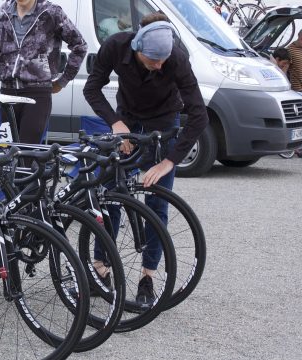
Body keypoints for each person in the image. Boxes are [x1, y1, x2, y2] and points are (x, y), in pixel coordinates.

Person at [83, 13, 209, 307]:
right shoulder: (115, 46)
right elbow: (92, 88)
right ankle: (101, 269)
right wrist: (115, 122)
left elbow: (199, 115)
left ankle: (147, 278)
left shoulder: (175, 58)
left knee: (157, 203)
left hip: (163, 125)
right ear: (138, 47)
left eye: (163, 59)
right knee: (112, 198)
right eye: (153, 59)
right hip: (126, 120)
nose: (160, 65)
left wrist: (169, 161)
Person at [0, 0, 87, 144]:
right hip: (7, 94)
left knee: (26, 153)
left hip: (37, 94)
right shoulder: (3, 11)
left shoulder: (52, 12)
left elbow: (80, 46)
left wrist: (63, 80)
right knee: (8, 152)